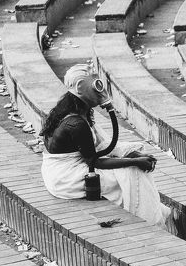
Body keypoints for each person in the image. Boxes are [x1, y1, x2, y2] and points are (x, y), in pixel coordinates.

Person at [40, 64, 174, 231]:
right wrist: (135, 162)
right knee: (132, 173)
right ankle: (149, 221)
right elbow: (95, 162)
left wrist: (131, 154)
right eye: (96, 84)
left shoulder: (75, 110)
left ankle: (150, 213)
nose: (100, 89)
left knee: (131, 161)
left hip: (58, 170)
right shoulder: (76, 123)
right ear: (81, 87)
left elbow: (101, 145)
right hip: (66, 178)